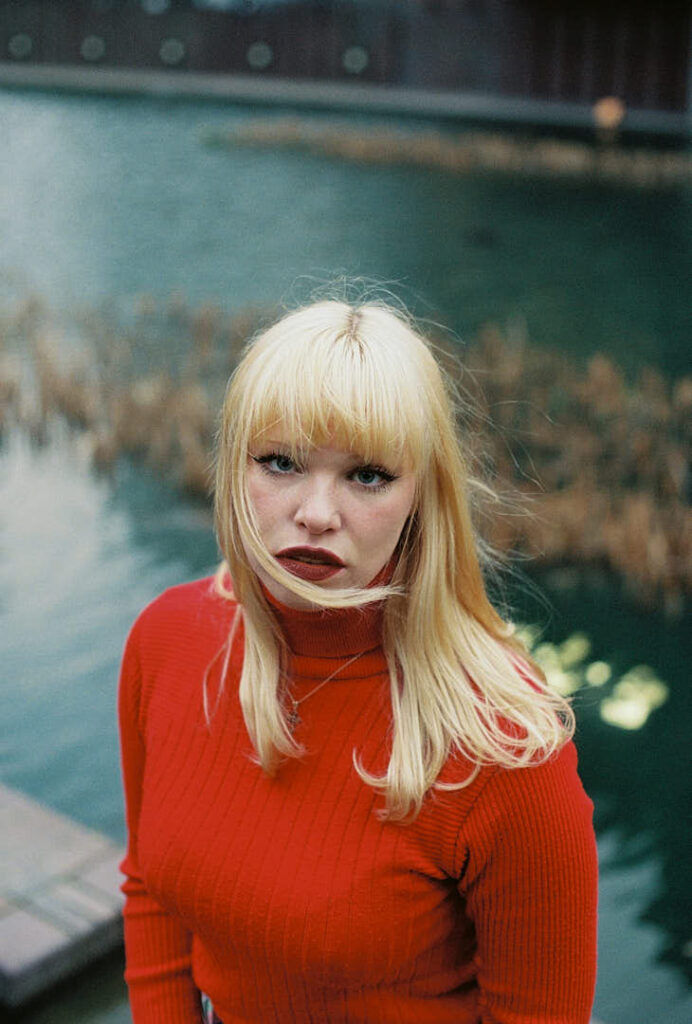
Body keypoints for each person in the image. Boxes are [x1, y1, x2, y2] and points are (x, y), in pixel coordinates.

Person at [118, 298, 598, 1024]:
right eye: (279, 462)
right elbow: (152, 888)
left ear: (422, 497)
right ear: (235, 469)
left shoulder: (504, 750)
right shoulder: (166, 641)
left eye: (368, 476)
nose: (315, 512)